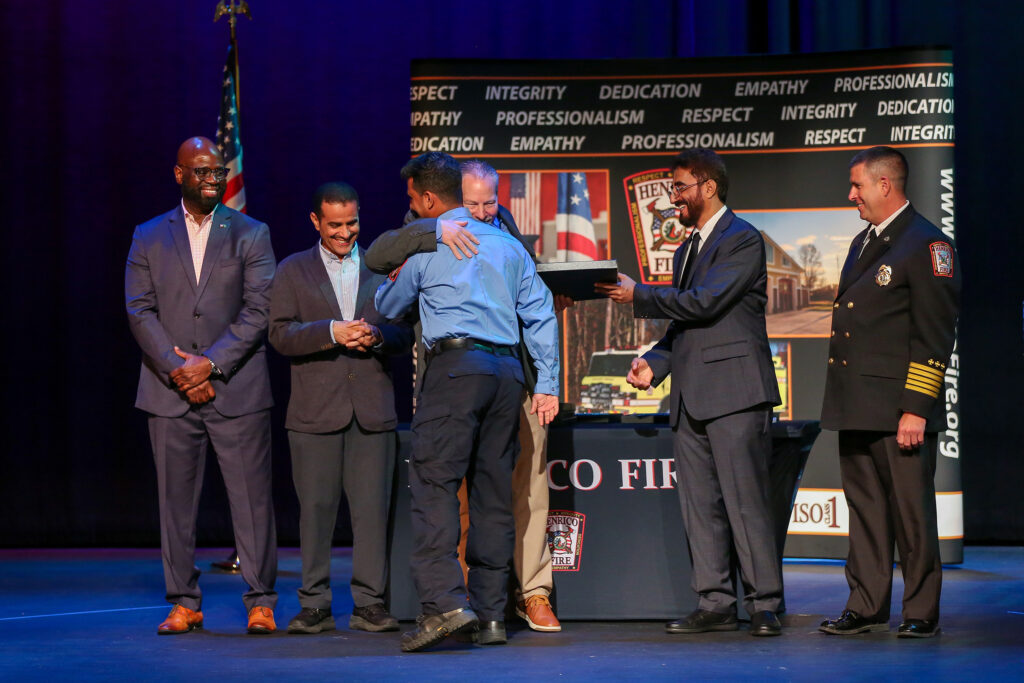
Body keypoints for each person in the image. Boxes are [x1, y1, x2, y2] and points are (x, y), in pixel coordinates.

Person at [364, 159, 568, 633]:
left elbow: (388, 307)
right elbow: (540, 315)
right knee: (493, 493)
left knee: (435, 486)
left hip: (456, 371)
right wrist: (548, 384)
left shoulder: (431, 244)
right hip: (508, 375)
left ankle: (444, 606)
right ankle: (494, 615)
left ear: (430, 201)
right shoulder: (510, 247)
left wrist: (390, 289)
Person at [596, 148, 783, 637]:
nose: (673, 198)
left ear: (708, 187)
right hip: (692, 395)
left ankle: (764, 603)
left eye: (679, 187)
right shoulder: (686, 250)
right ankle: (716, 600)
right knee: (699, 506)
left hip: (737, 393)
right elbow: (685, 325)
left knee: (746, 503)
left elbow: (706, 302)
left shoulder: (741, 239)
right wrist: (654, 363)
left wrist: (639, 293)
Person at [125, 136, 278, 635]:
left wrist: (209, 365)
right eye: (202, 172)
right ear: (180, 175)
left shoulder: (251, 233)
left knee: (252, 502)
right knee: (175, 505)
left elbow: (259, 311)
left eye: (217, 172)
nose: (212, 179)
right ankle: (184, 602)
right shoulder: (148, 235)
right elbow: (139, 310)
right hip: (169, 392)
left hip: (236, 388)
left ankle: (260, 600)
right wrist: (180, 370)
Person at [818, 146, 961, 639]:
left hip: (899, 409)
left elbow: (935, 334)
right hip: (856, 404)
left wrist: (916, 409)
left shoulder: (926, 245)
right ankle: (866, 603)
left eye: (858, 185)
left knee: (911, 513)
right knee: (866, 513)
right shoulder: (865, 242)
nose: (851, 194)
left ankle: (920, 609)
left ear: (885, 185)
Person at [268, 182, 414, 635]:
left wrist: (376, 336)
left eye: (351, 222)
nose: (345, 232)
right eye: (335, 225)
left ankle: (370, 603)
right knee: (315, 511)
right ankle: (314, 604)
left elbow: (404, 332)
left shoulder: (382, 266)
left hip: (371, 411)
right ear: (316, 221)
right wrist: (331, 331)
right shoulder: (293, 270)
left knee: (372, 513)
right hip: (314, 414)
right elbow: (279, 334)